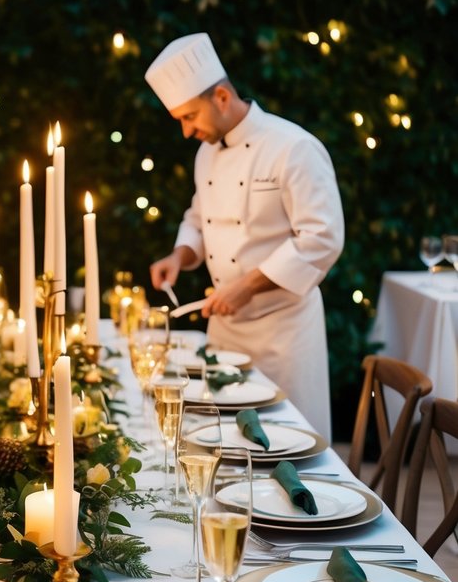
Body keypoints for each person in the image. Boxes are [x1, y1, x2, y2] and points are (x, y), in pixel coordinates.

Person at [145, 32, 344, 439]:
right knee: (227, 445)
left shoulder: (294, 147)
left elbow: (322, 238)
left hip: (284, 334)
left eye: (188, 117)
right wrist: (179, 256)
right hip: (226, 331)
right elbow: (198, 218)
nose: (186, 132)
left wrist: (246, 286)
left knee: (290, 447)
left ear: (220, 97)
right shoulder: (206, 153)